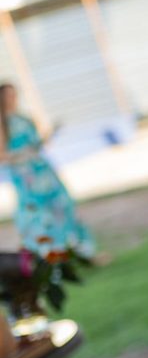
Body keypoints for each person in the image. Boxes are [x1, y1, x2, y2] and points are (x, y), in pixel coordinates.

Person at [0, 84, 95, 259]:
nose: (13, 98)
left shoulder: (23, 118)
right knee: (37, 213)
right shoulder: (3, 123)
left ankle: (79, 251)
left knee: (63, 205)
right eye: (8, 95)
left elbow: (36, 145)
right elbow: (2, 155)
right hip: (25, 176)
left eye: (14, 94)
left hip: (42, 170)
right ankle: (46, 254)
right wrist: (20, 155)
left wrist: (50, 134)